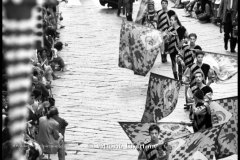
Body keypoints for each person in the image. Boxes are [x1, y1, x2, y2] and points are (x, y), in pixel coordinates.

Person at [167, 14, 188, 80]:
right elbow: (167, 40)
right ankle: (175, 78)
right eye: (170, 20)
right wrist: (169, 36)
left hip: (179, 48)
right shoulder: (169, 29)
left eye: (172, 20)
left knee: (179, 63)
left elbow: (187, 37)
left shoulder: (182, 28)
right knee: (173, 63)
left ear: (176, 20)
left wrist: (184, 40)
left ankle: (180, 78)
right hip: (171, 47)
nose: (171, 21)